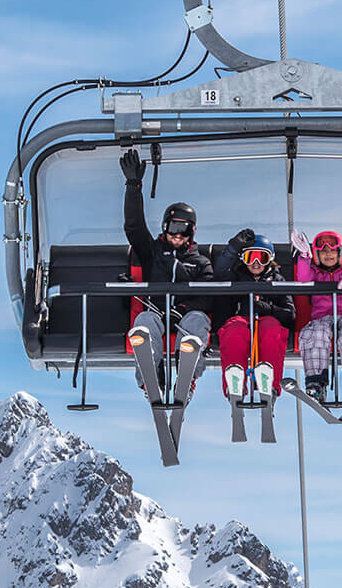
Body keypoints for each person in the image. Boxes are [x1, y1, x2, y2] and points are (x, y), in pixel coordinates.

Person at [122, 149, 214, 403]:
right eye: (174, 228)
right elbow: (134, 227)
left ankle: (188, 376)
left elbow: (208, 296)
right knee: (143, 321)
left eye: (184, 230)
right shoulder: (152, 252)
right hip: (157, 313)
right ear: (165, 227)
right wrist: (133, 186)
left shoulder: (200, 262)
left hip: (185, 317)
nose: (178, 235)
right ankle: (150, 379)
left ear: (192, 233)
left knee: (197, 320)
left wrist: (184, 308)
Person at [289, 228, 342, 398]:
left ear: (340, 253)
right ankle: (316, 382)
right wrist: (304, 257)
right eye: (323, 252)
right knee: (315, 334)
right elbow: (303, 278)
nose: (328, 255)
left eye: (332, 251)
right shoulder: (315, 272)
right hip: (322, 318)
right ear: (317, 255)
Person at [215, 231, 294, 401]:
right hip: (242, 318)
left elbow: (289, 314)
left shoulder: (277, 280)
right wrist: (233, 247)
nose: (256, 263)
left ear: (270, 259)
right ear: (243, 259)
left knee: (272, 331)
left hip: (267, 320)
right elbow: (220, 271)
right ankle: (235, 384)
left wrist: (269, 309)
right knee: (234, 331)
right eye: (250, 257)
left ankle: (269, 386)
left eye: (262, 258)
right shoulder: (237, 277)